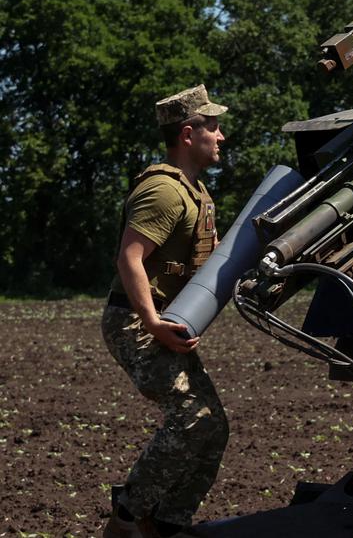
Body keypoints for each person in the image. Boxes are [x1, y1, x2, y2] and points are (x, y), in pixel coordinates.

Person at [102, 85, 230, 538]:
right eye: (213, 126)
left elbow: (210, 257)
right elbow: (129, 258)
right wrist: (153, 323)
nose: (221, 135)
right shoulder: (163, 191)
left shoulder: (198, 194)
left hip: (163, 321)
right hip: (136, 322)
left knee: (213, 428)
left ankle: (168, 523)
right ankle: (127, 516)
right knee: (193, 417)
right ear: (188, 133)